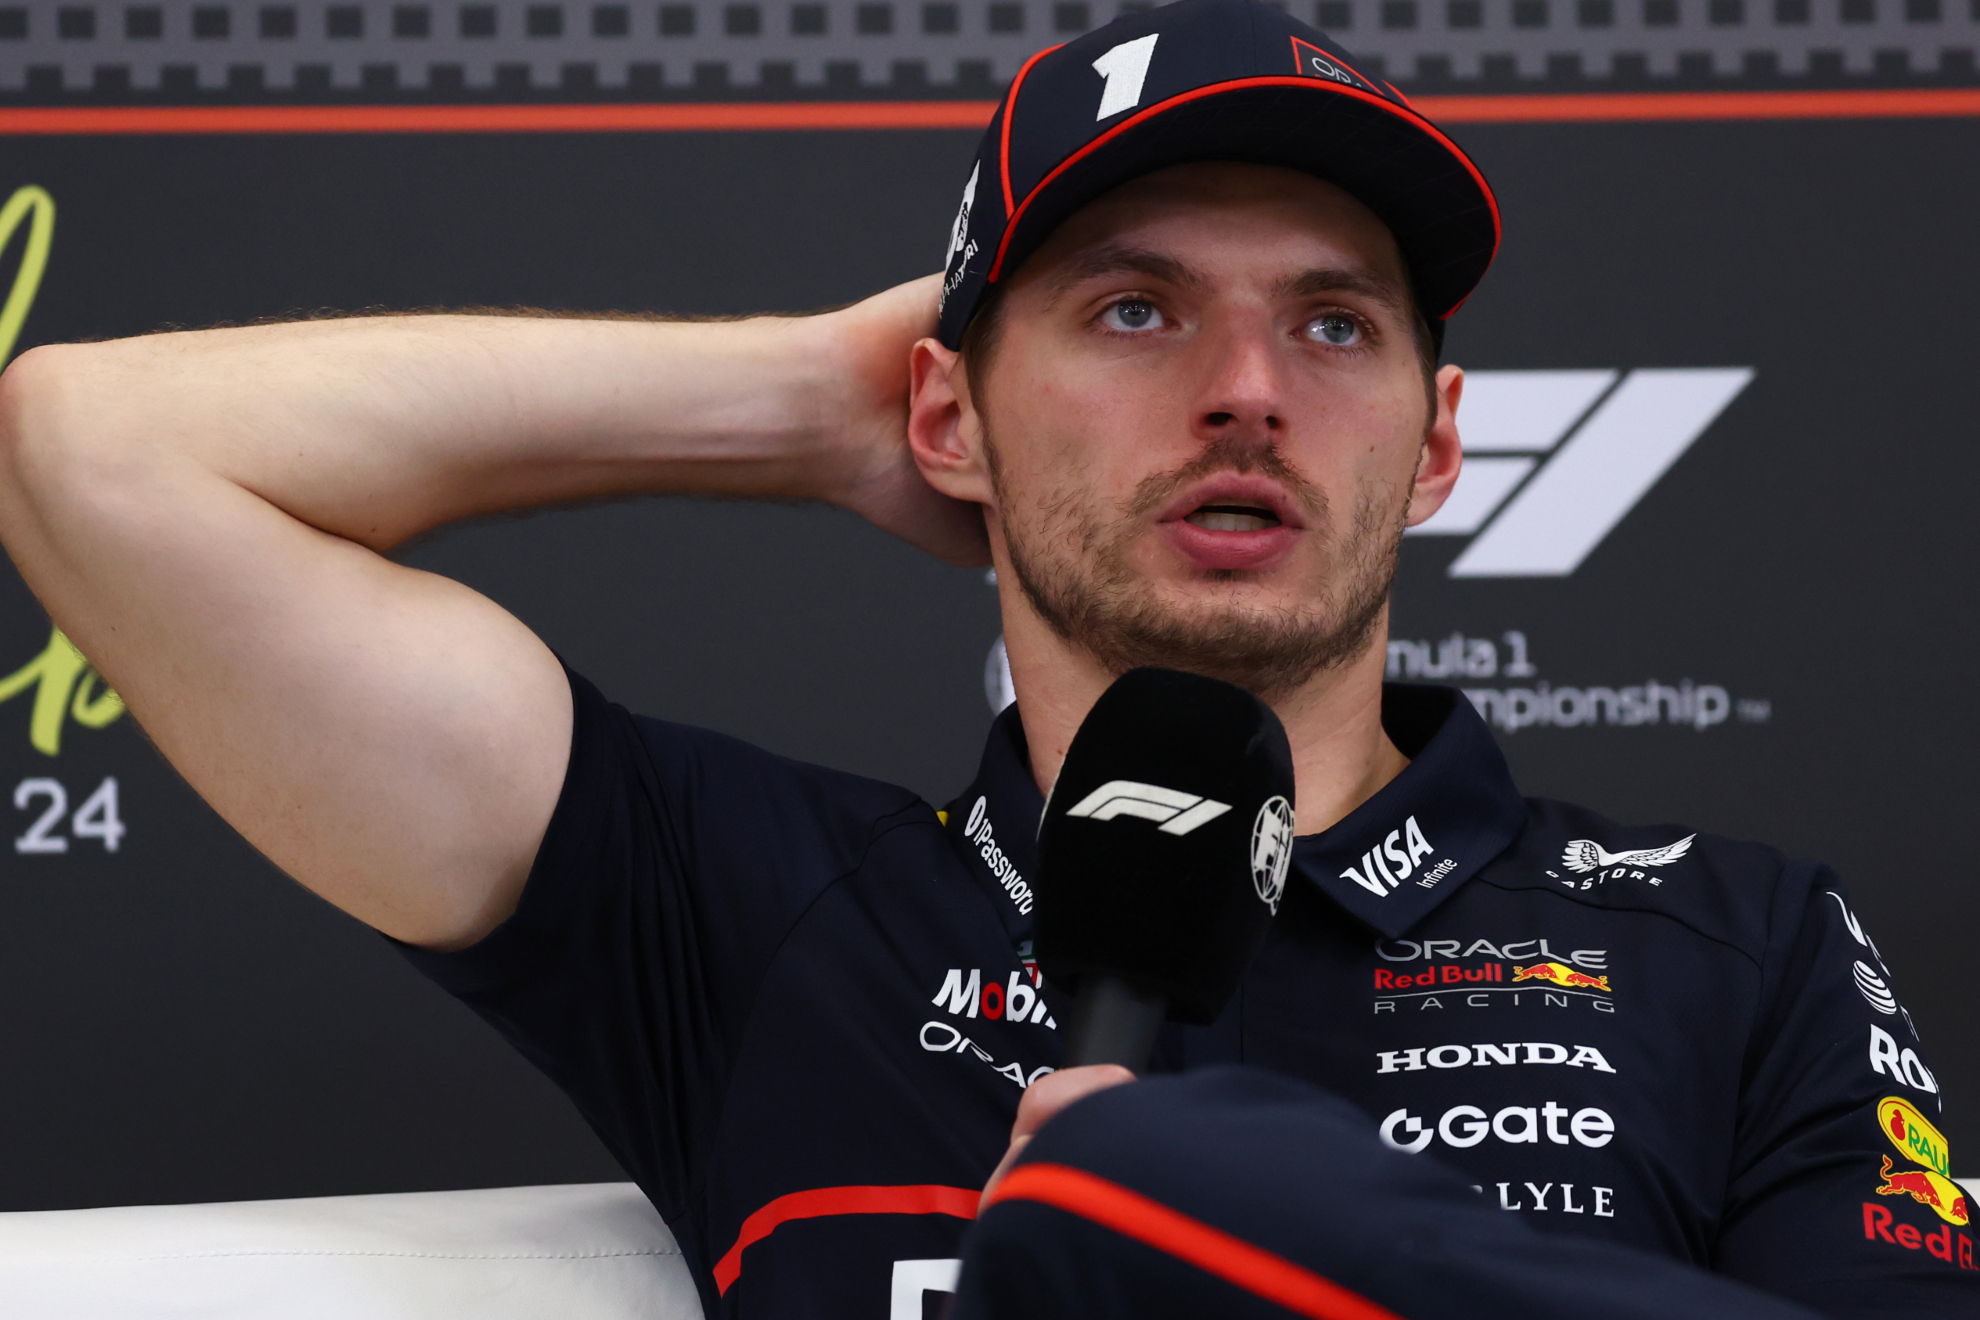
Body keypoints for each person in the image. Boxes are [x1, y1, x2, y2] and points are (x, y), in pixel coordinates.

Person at [0, 1, 1968, 1316]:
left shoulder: (1730, 940)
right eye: (1131, 314)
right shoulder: (759, 913)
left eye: (1336, 329)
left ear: (1441, 442)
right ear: (949, 414)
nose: (1246, 394)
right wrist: (795, 399)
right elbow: (96, 454)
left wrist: (1280, 1235)